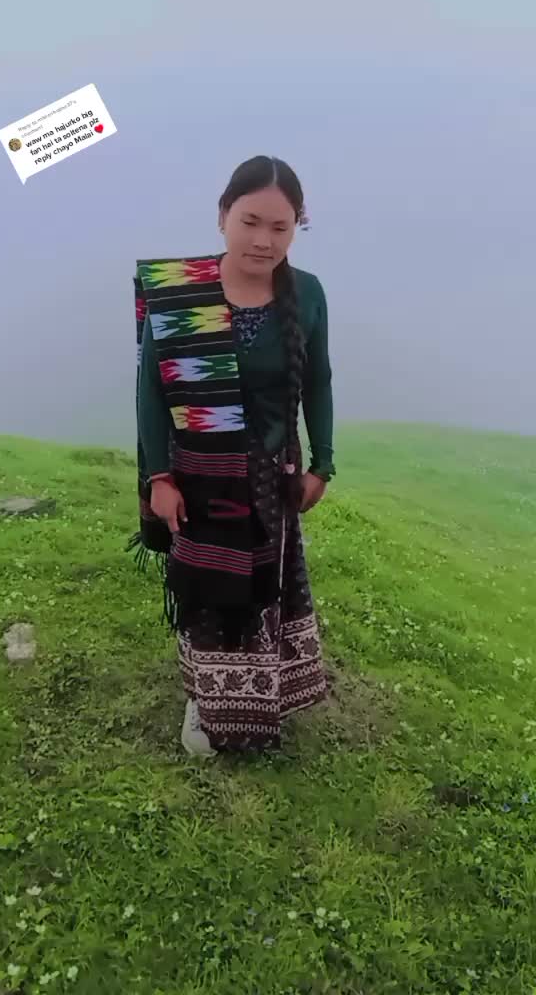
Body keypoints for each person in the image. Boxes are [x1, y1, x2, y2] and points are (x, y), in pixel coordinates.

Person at [132, 155, 335, 757]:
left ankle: (262, 693)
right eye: (250, 222)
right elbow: (151, 389)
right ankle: (205, 697)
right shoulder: (182, 292)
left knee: (266, 589)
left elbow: (318, 381)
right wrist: (158, 477)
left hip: (273, 479)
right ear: (223, 215)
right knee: (208, 591)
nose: (263, 240)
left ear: (296, 227)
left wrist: (322, 462)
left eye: (280, 227)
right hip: (199, 478)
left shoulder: (308, 293)